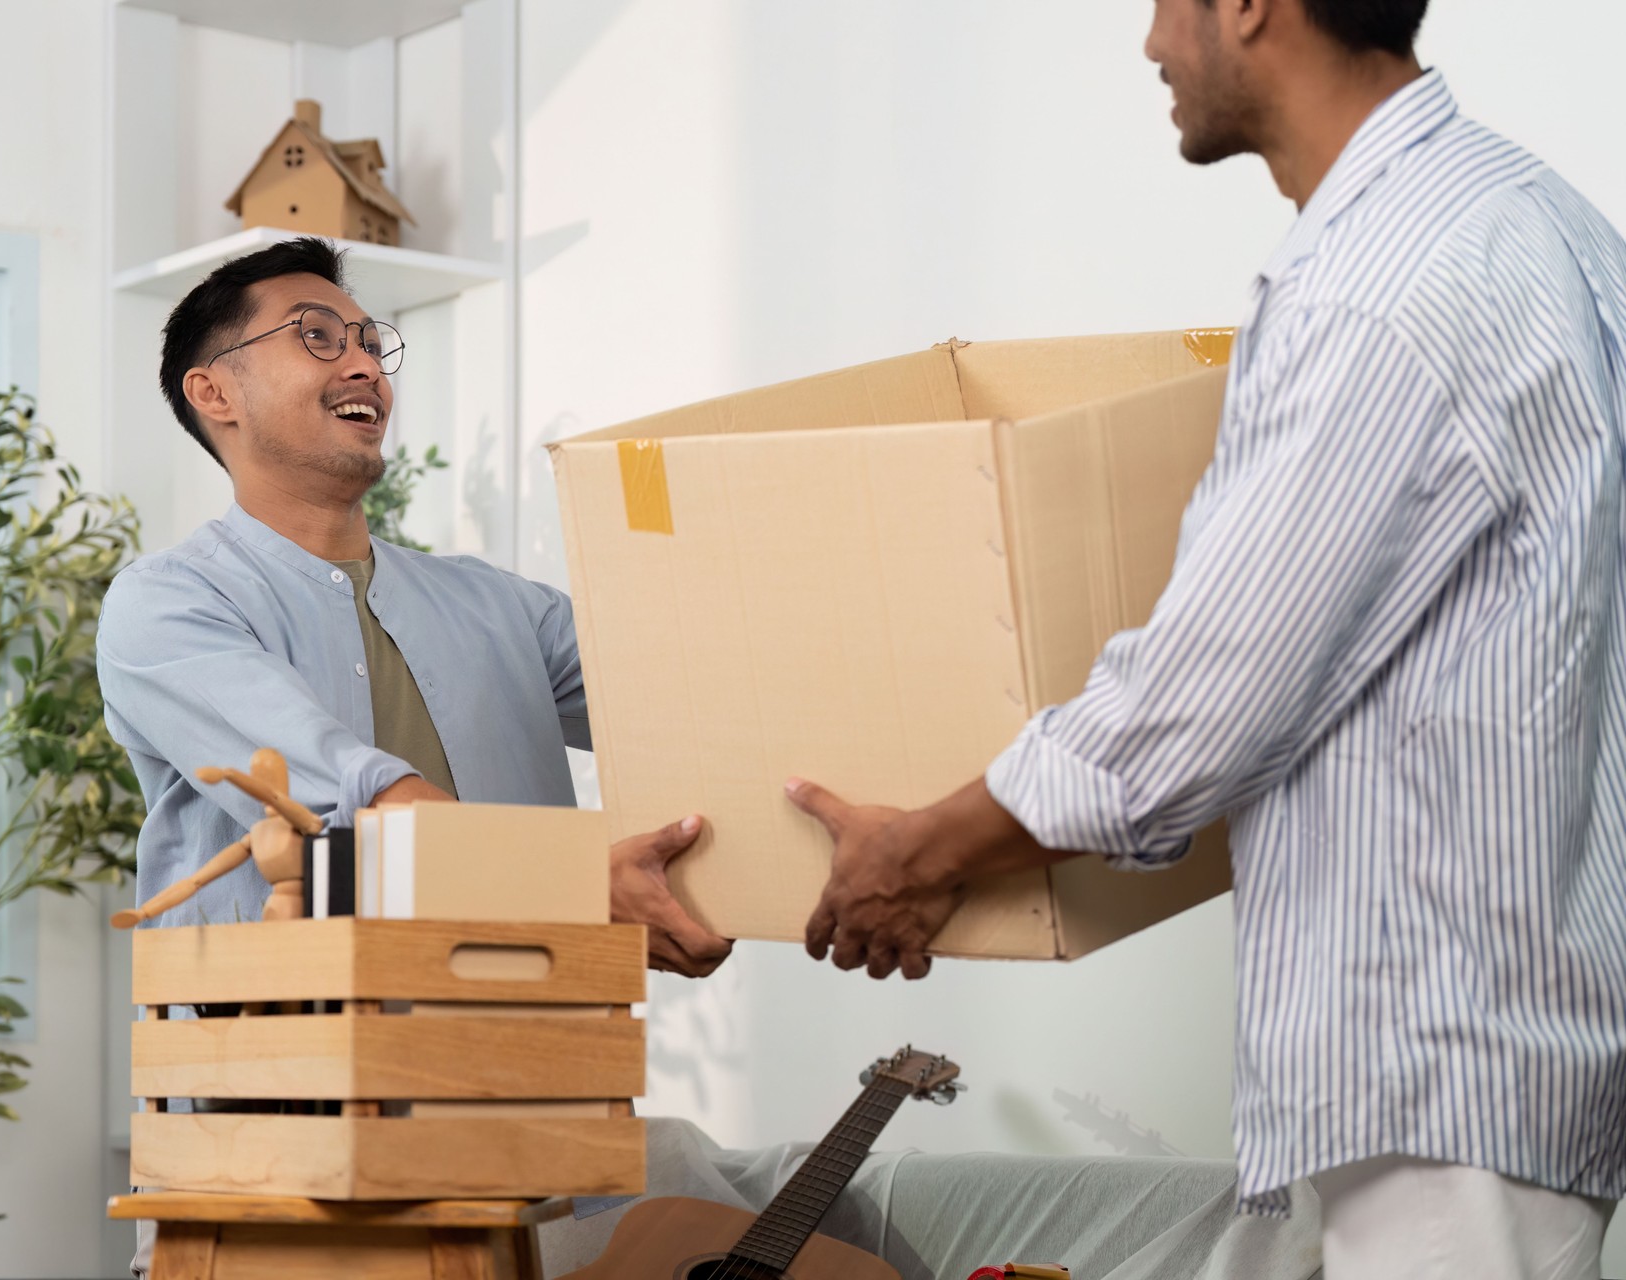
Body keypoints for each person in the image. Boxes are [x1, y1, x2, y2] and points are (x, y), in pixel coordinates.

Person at [786, 1, 1626, 1275]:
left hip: (1442, 1073)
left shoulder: (1381, 285)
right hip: (1513, 1036)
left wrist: (913, 848)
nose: (1150, 45)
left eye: (1167, 3)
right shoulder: (1544, 220)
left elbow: (1198, 708)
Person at [97, 236, 732, 979]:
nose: (365, 365)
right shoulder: (168, 605)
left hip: (545, 1047)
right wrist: (582, 887)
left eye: (370, 343)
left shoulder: (503, 607)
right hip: (289, 1072)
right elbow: (350, 805)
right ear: (215, 394)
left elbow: (693, 715)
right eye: (319, 337)